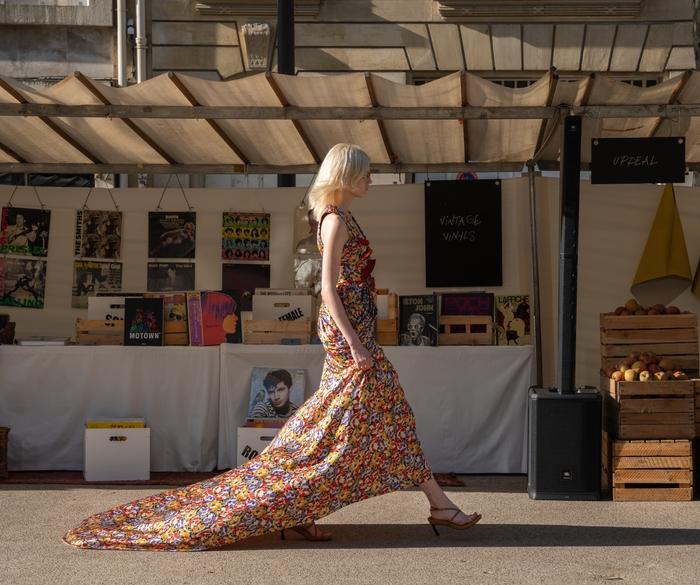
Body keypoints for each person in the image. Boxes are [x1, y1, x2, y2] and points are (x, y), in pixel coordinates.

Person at [62, 143, 480, 552]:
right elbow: (328, 292)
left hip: (357, 328)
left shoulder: (340, 215)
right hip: (349, 331)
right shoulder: (334, 220)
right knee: (385, 412)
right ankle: (436, 503)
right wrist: (355, 344)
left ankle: (340, 505)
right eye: (365, 172)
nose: (371, 179)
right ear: (347, 174)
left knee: (356, 419)